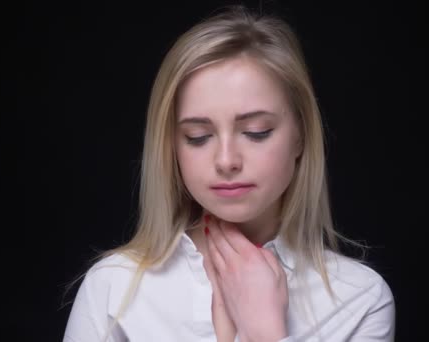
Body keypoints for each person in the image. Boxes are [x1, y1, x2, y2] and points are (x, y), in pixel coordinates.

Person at [64, 5, 395, 342]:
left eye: (256, 131)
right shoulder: (113, 288)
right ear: (171, 148)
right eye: (198, 136)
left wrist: (264, 333)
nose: (226, 160)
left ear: (301, 137)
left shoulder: (360, 300)